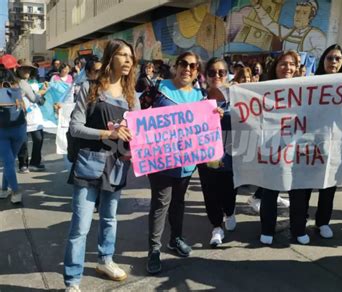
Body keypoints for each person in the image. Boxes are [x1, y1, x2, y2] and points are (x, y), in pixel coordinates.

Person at [63, 39, 139, 291]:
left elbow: (144, 127)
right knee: (80, 226)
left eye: (131, 56)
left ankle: (105, 260)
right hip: (88, 165)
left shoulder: (132, 95)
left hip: (117, 166)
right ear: (110, 58)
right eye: (123, 55)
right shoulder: (90, 87)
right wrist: (108, 134)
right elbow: (75, 127)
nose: (128, 60)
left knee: (110, 218)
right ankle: (72, 280)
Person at [146, 52, 211, 274]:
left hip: (186, 162)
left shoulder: (199, 96)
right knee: (160, 204)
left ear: (197, 72)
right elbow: (138, 112)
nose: (187, 69)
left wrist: (215, 114)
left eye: (193, 66)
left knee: (179, 202)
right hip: (161, 160)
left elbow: (204, 125)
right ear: (175, 66)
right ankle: (154, 250)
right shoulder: (159, 87)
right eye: (183, 64)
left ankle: (175, 239)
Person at [257, 50, 311, 245]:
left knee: (297, 192)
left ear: (297, 68)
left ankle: (298, 230)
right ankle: (267, 229)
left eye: (291, 64)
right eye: (283, 63)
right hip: (271, 147)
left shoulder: (305, 90)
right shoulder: (264, 88)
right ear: (276, 67)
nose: (287, 67)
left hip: (297, 148)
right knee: (270, 190)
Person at [308, 44, 342, 239]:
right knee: (304, 182)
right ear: (323, 60)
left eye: (338, 59)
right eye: (330, 58)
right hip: (309, 141)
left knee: (329, 185)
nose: (333, 62)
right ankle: (299, 219)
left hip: (335, 142)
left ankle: (322, 222)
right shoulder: (311, 83)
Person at [197, 57, 236, 247]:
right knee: (210, 192)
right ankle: (216, 227)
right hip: (206, 155)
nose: (217, 76)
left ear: (228, 74)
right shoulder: (198, 98)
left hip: (232, 154)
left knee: (229, 191)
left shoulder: (237, 97)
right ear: (205, 76)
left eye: (221, 72)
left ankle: (230, 211)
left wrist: (226, 116)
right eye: (212, 72)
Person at [251, 0, 326, 58]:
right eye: (297, 12)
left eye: (304, 13)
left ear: (311, 17)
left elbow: (321, 52)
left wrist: (300, 57)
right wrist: (257, 6)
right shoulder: (288, 32)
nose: (298, 16)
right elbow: (269, 24)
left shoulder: (316, 35)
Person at [16, 60, 48, 173]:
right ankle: (23, 164)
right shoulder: (20, 83)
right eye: (24, 68)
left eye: (29, 69)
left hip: (33, 115)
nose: (27, 71)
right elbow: (34, 99)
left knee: (38, 138)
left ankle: (34, 163)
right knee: (22, 141)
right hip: (21, 115)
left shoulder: (29, 82)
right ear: (18, 69)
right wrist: (40, 94)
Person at [0, 83, 27, 204]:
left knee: (8, 161)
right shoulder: (19, 86)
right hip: (19, 129)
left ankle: (7, 189)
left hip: (1, 131)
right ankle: (12, 190)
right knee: (10, 161)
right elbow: (35, 98)